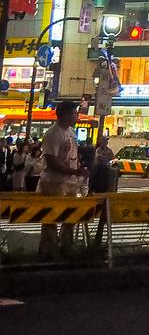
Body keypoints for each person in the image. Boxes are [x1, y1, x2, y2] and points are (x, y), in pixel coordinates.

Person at [37, 100, 88, 257]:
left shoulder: (71, 132)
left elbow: (72, 155)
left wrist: (78, 169)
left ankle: (66, 246)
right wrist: (75, 172)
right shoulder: (53, 134)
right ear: (65, 114)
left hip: (70, 181)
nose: (76, 116)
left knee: (71, 215)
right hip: (54, 181)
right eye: (74, 113)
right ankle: (49, 250)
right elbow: (52, 161)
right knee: (51, 217)